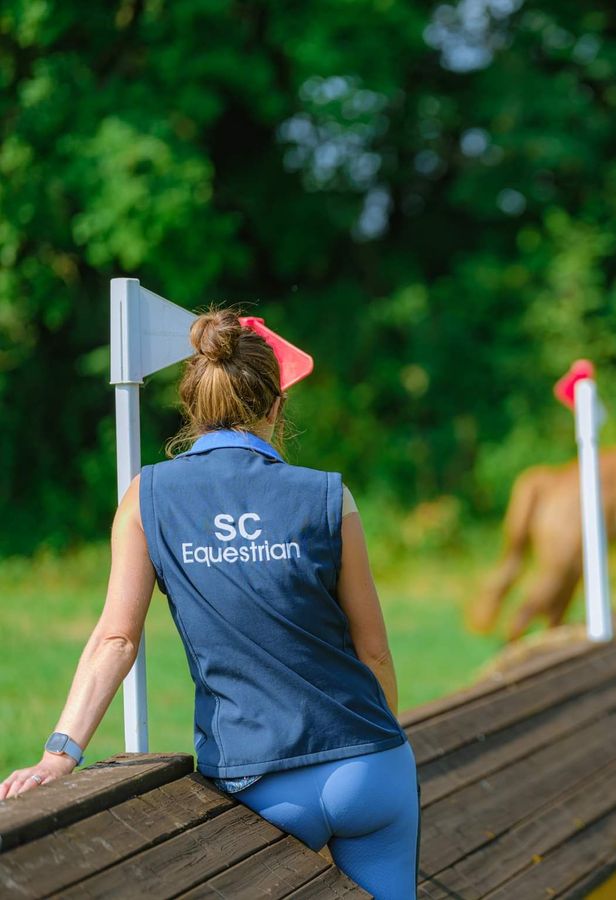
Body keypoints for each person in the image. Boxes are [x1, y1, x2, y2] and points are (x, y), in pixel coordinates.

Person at [0, 310, 419, 900]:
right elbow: (373, 651)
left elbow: (117, 640)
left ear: (193, 407)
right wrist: (378, 744)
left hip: (259, 785)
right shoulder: (329, 495)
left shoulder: (149, 496)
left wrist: (58, 754)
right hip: (371, 769)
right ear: (276, 407)